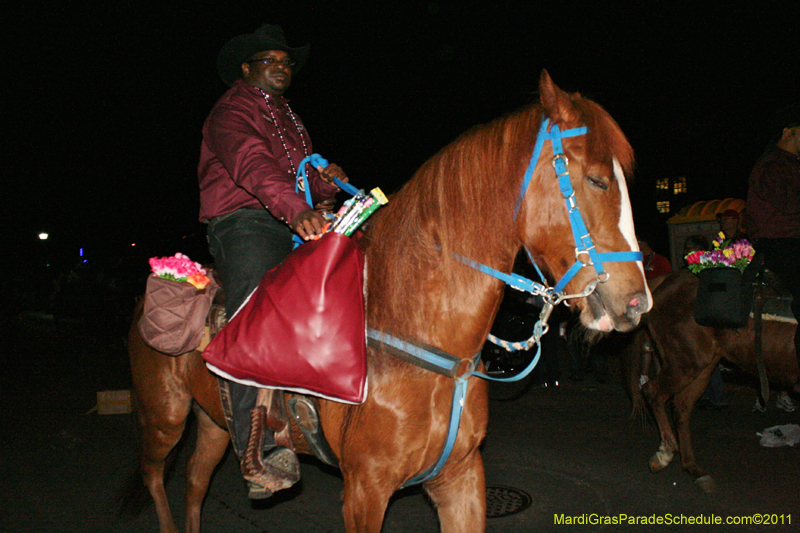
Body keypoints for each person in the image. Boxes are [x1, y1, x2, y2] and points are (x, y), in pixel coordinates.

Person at [198, 24, 349, 497]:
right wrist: (297, 209)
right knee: (253, 312)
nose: (282, 67)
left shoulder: (291, 119)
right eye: (270, 61)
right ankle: (257, 451)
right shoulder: (231, 110)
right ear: (247, 69)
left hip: (289, 216)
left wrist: (325, 184)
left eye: (286, 62)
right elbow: (252, 164)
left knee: (344, 283)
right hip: (244, 220)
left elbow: (299, 178)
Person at [746, 105, 800, 411]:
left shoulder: (790, 164)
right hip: (781, 243)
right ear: (788, 132)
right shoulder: (773, 166)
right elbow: (789, 205)